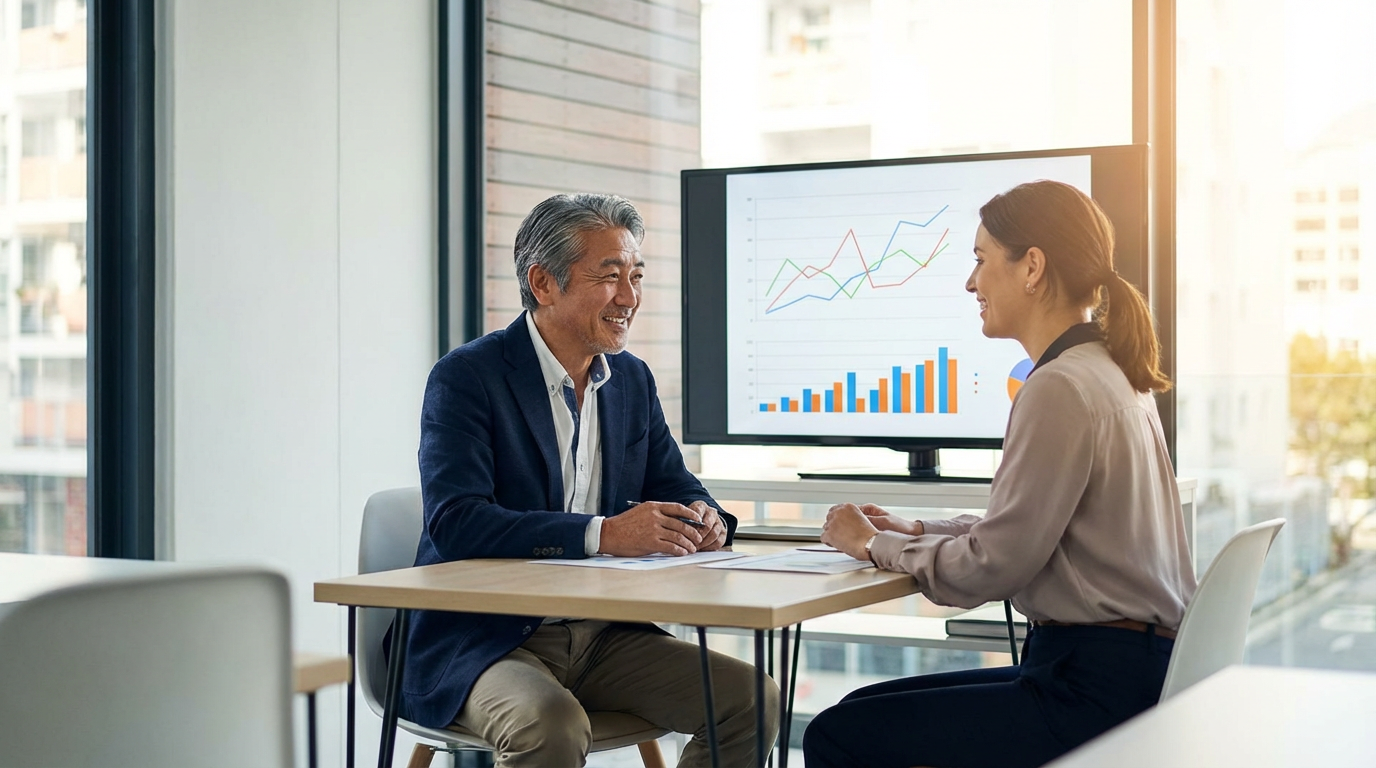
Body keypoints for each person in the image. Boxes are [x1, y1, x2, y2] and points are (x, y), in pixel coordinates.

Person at [804, 180, 1197, 768]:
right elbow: (1032, 528)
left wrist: (874, 545)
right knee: (856, 713)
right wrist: (918, 528)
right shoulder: (1110, 373)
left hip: (1089, 690)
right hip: (1130, 672)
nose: (971, 282)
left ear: (1032, 267)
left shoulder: (1058, 387)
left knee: (838, 734)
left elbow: (992, 567)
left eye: (981, 260)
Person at [399, 193, 778, 768]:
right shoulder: (468, 377)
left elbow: (676, 483)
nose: (629, 298)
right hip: (486, 640)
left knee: (751, 699)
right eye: (609, 277)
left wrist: (707, 521)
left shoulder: (630, 379)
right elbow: (457, 523)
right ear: (543, 283)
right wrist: (603, 533)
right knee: (549, 725)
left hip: (604, 636)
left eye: (636, 276)